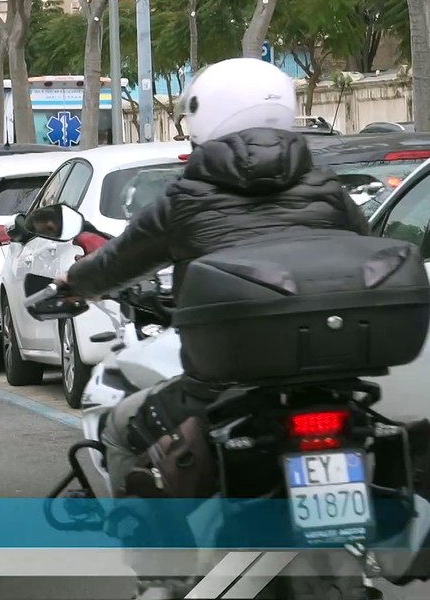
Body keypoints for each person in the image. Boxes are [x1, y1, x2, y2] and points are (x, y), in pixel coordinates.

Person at [57, 57, 370, 498]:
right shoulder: (327, 188)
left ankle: (162, 554)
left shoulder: (186, 199)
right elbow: (364, 251)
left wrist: (73, 284)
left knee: (115, 429)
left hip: (223, 383)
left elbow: (116, 263)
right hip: (329, 378)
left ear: (206, 115)